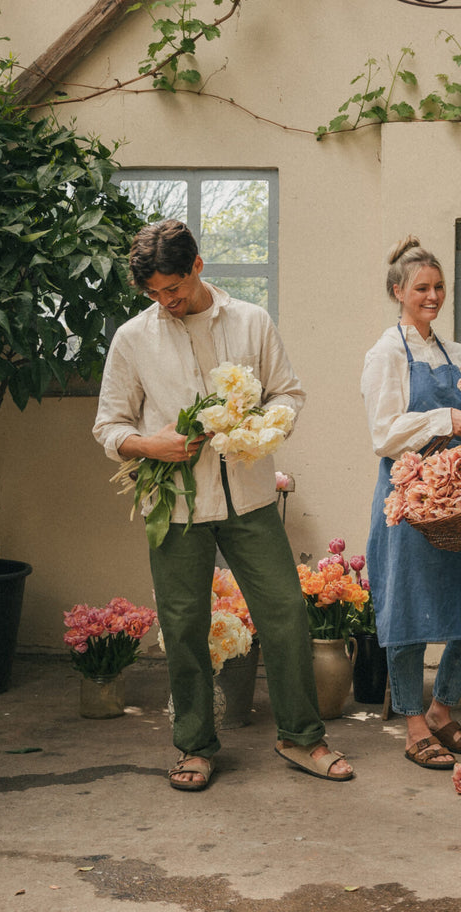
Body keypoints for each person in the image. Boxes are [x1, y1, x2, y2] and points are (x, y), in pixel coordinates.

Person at [93, 219, 353, 791]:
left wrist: (261, 427)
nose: (166, 302)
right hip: (176, 505)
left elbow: (289, 391)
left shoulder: (252, 322)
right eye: (155, 294)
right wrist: (151, 444)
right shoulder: (133, 339)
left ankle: (301, 737)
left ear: (198, 267)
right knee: (183, 626)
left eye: (174, 289)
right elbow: (108, 426)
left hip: (251, 499)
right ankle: (194, 745)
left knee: (285, 614)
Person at [361, 236, 461, 771]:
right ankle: (414, 723)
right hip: (408, 499)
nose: (433, 296)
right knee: (406, 616)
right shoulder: (385, 354)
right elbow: (384, 433)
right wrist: (447, 419)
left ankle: (444, 709)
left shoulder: (457, 355)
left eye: (439, 287)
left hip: (459, 500)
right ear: (398, 291)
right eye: (421, 287)